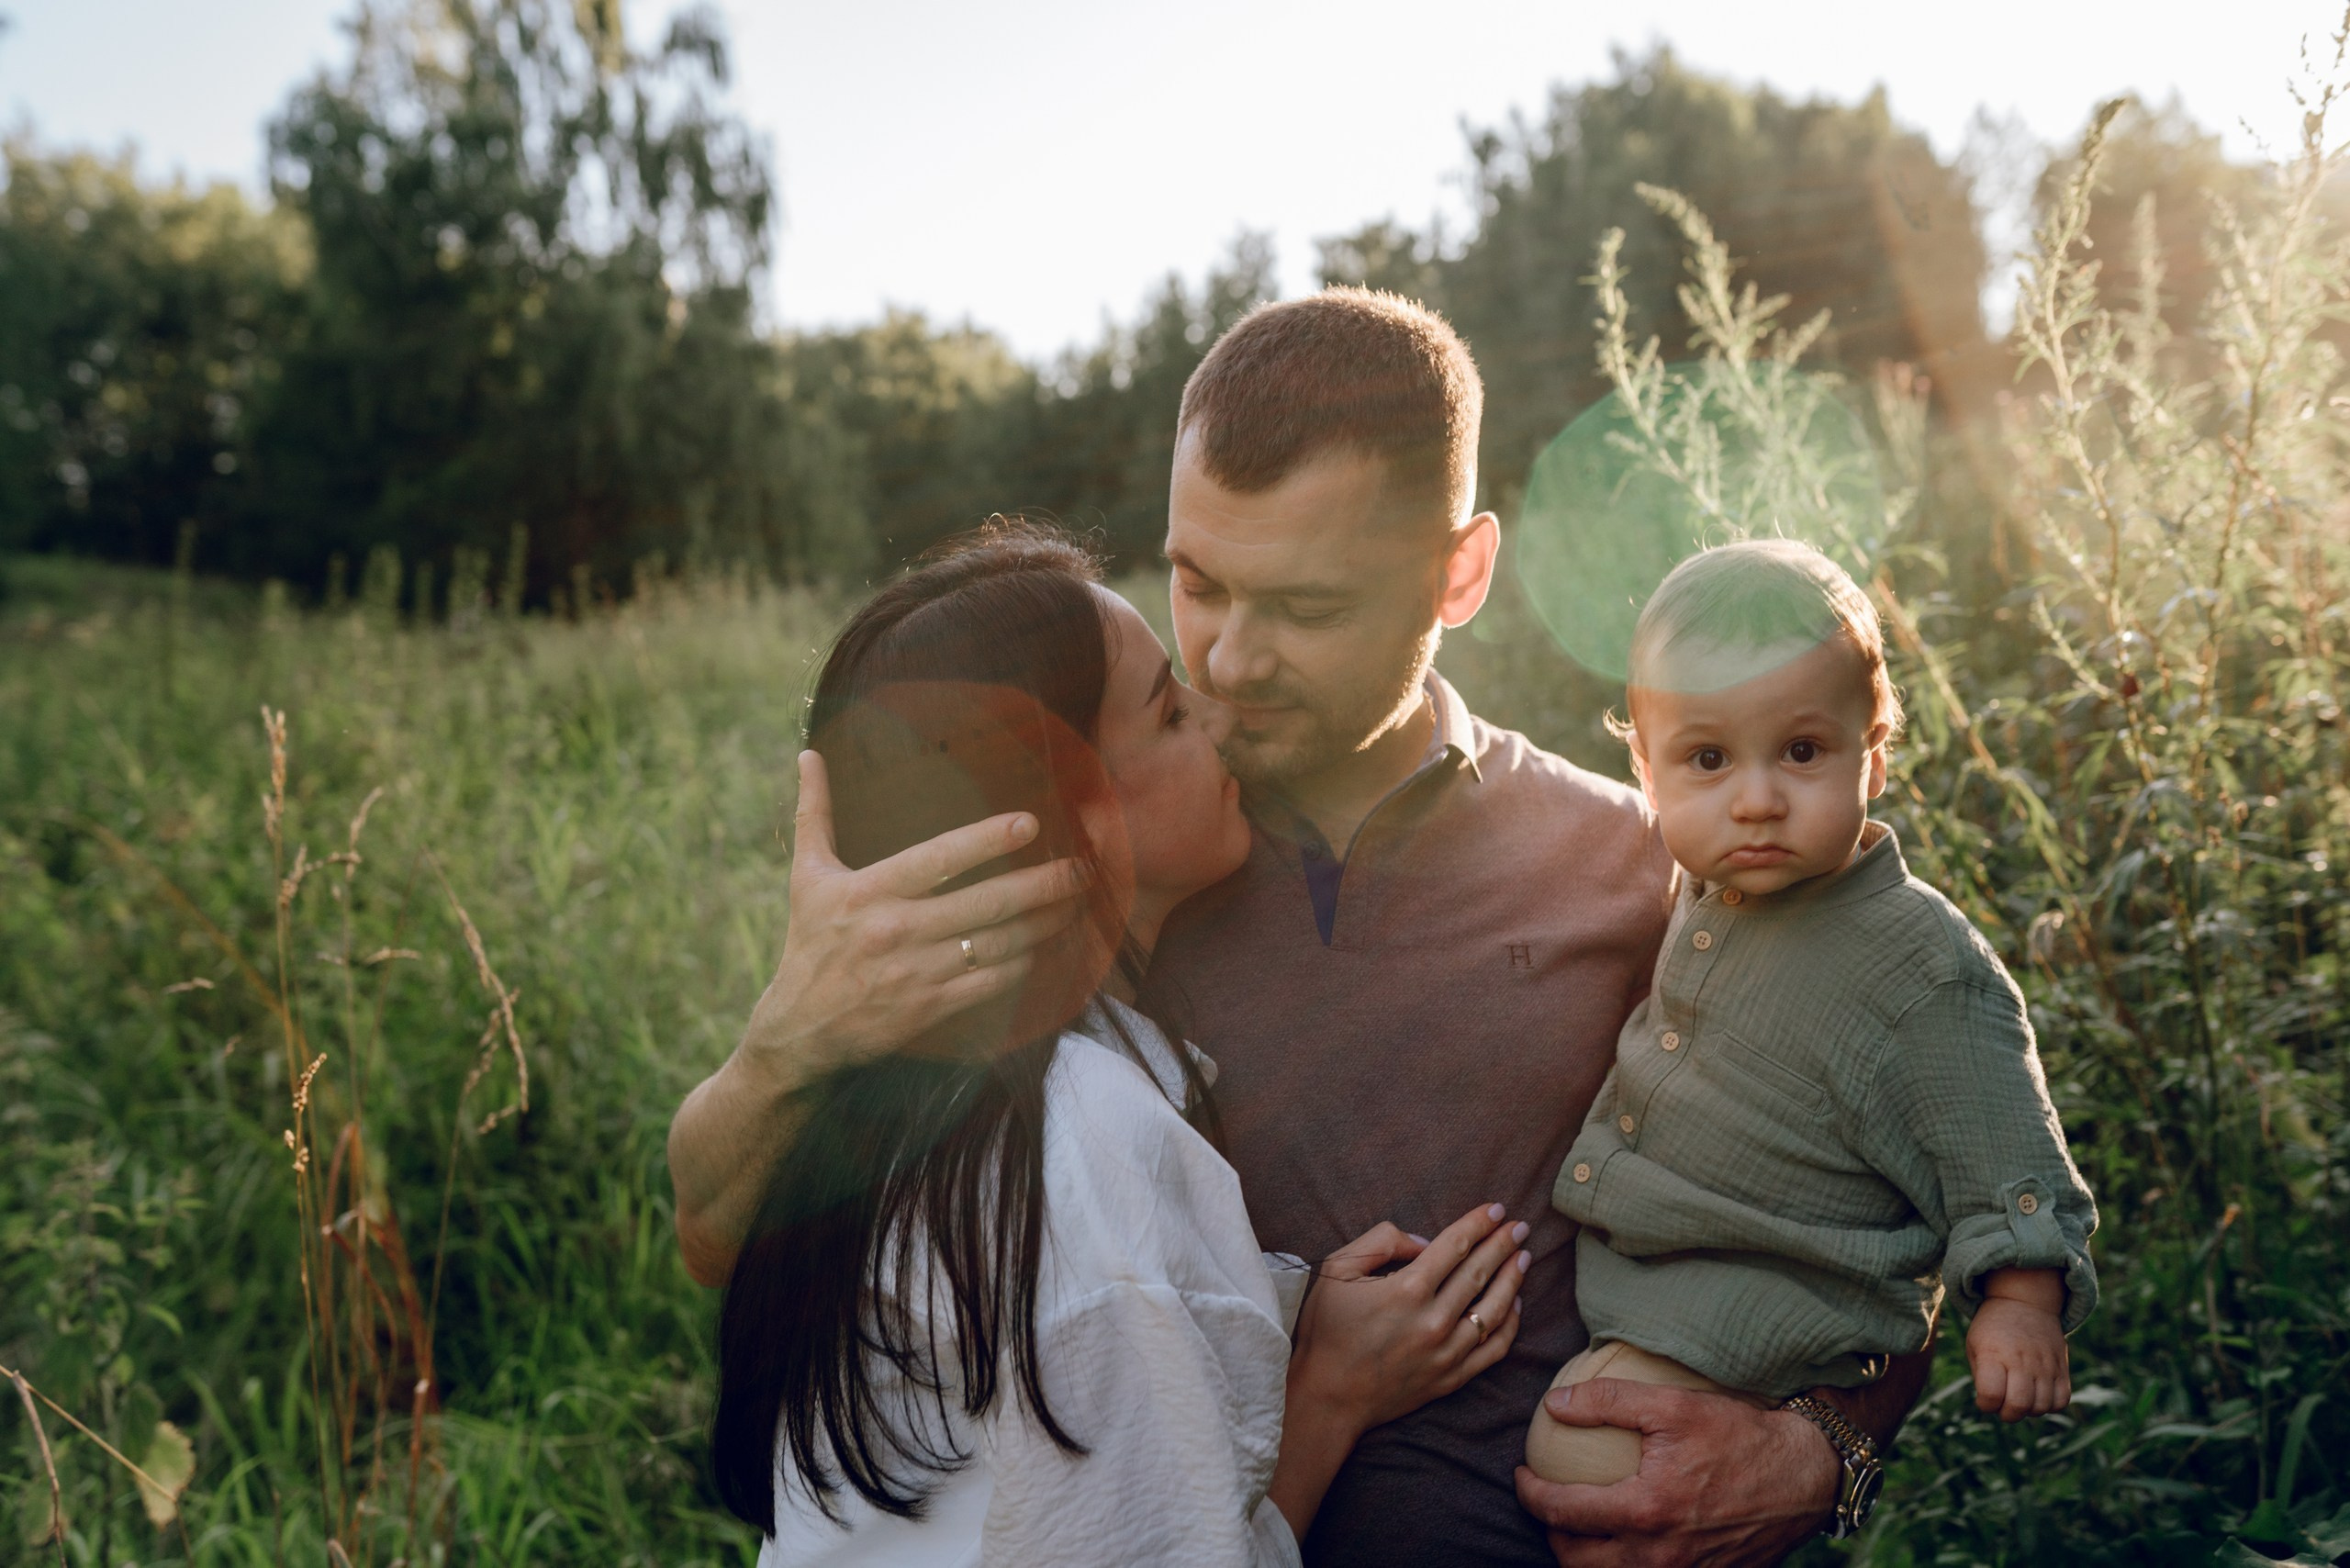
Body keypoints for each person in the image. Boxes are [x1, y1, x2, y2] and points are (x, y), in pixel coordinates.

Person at [671, 288, 1933, 1567]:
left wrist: (1819, 1457)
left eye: (1307, 609)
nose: (1224, 661)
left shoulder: (1651, 861)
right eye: (1197, 582)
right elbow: (739, 1236)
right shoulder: (1081, 873)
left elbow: (1915, 1190)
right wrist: (786, 1044)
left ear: (1460, 573)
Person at [713, 522, 1534, 1567]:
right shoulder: (1073, 1155)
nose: (1216, 713)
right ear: (1072, 817)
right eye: (1167, 709)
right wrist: (1329, 1394)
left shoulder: (932, 1088)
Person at [1525, 540, 2098, 1529]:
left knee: (1588, 1455)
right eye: (1707, 758)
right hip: (1655, 1286)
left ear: (1873, 751)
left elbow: (2001, 1132)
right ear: (1645, 770)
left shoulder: (1915, 958)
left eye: (1801, 751)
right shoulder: (1706, 887)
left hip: (1769, 1311)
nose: (1755, 798)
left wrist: (2019, 1299)